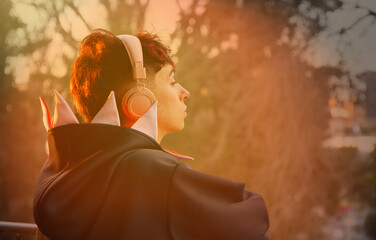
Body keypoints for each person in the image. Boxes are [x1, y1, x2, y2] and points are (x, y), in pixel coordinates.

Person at [33, 29, 270, 240]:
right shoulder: (154, 171)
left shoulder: (60, 172)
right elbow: (249, 225)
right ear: (138, 99)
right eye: (173, 81)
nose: (184, 92)